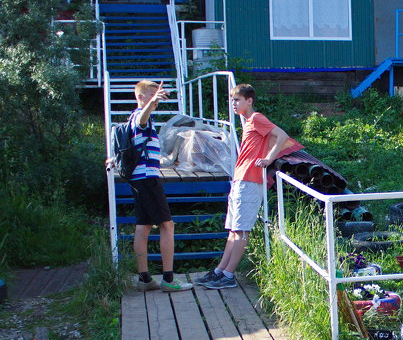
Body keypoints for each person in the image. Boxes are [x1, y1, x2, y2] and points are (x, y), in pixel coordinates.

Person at [196, 84, 302, 289]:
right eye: (232, 100)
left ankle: (228, 275)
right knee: (234, 229)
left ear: (249, 101)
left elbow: (281, 135)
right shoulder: (247, 122)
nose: (233, 104)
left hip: (251, 180)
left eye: (237, 100)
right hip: (241, 177)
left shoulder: (256, 118)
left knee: (242, 230)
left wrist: (269, 158)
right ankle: (220, 271)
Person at [115, 80, 194, 293]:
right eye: (152, 94)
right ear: (141, 97)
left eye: (158, 94)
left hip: (139, 180)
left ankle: (145, 279)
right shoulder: (141, 116)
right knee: (167, 226)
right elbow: (143, 118)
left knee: (143, 227)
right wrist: (151, 104)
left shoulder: (136, 119)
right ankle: (168, 279)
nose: (157, 98)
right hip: (148, 180)